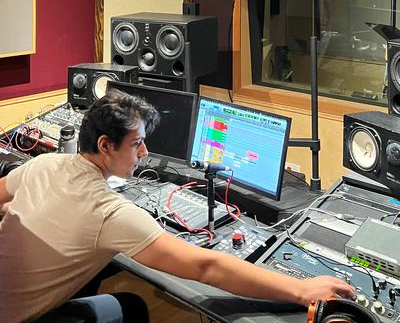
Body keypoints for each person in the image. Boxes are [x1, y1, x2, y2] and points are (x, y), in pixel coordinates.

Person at [0, 89, 355, 322]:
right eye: (136, 144)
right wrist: (301, 289)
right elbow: (205, 267)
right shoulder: (109, 213)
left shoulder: (42, 165)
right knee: (130, 306)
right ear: (106, 145)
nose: (144, 153)